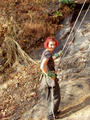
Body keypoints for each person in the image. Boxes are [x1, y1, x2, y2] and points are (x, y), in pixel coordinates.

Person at [40, 37, 63, 120]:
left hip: (45, 79)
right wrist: (50, 74)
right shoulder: (48, 53)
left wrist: (57, 55)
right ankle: (51, 116)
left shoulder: (46, 52)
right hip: (49, 79)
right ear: (47, 44)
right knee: (56, 96)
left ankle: (54, 111)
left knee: (50, 96)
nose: (52, 46)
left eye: (53, 44)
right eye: (51, 44)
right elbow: (42, 66)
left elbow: (50, 59)